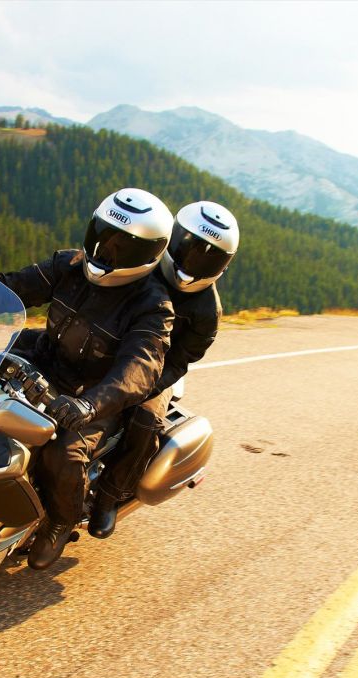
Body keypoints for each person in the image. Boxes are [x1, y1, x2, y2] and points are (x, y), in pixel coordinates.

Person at [0, 188, 176, 569]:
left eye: (120, 247)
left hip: (94, 392)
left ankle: (60, 522)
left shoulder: (153, 306)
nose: (104, 251)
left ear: (148, 254)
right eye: (102, 235)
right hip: (45, 360)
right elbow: (9, 287)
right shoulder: (69, 265)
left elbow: (139, 369)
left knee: (63, 454)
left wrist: (90, 404)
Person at [90, 200, 240, 538]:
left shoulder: (206, 312)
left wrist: (141, 385)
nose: (193, 261)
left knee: (145, 420)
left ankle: (108, 498)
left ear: (223, 264)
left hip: (157, 373)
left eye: (208, 257)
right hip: (111, 347)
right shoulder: (143, 265)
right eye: (188, 248)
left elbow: (179, 362)